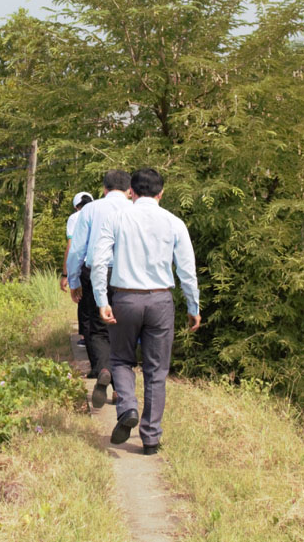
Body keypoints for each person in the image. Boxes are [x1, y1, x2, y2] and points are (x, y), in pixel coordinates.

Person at [90, 168, 201, 455]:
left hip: (125, 299)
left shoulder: (117, 218)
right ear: (161, 193)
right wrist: (193, 306)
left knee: (120, 359)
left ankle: (127, 406)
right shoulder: (174, 222)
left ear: (132, 192)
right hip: (160, 302)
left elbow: (100, 262)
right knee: (156, 371)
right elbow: (187, 270)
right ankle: (150, 438)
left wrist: (102, 300)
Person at [66, 169, 132, 408]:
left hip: (96, 272)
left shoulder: (91, 210)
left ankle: (104, 368)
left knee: (98, 327)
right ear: (129, 190)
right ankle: (120, 389)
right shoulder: (134, 209)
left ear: (104, 189)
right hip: (128, 276)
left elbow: (77, 249)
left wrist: (73, 280)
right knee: (123, 329)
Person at [61, 191, 93, 348]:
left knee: (83, 301)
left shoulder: (74, 218)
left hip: (83, 265)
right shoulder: (98, 213)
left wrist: (65, 273)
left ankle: (85, 337)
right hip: (103, 264)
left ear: (76, 206)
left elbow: (71, 246)